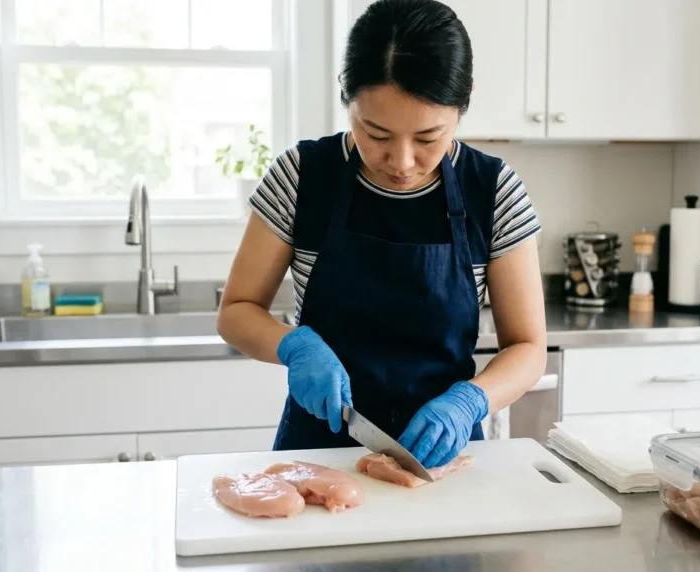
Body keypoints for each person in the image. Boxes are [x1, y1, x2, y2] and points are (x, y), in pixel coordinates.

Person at [217, 0, 547, 469]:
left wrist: (470, 402)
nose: (402, 162)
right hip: (319, 452)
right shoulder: (303, 176)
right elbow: (236, 312)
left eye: (429, 138)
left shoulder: (493, 191)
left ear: (464, 100)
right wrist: (293, 346)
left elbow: (529, 347)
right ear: (346, 96)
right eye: (376, 133)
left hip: (445, 458)